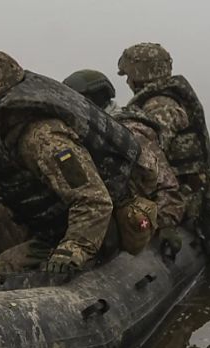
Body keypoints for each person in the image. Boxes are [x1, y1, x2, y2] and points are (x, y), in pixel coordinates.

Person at [0, 50, 140, 275]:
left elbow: (94, 200)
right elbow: (0, 157)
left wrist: (73, 248)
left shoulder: (43, 137)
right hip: (49, 224)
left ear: (1, 96)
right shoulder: (10, 127)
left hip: (93, 229)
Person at [117, 42, 210, 257]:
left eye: (128, 74)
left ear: (139, 74)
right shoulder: (169, 99)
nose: (127, 81)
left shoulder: (159, 106)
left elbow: (150, 159)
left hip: (181, 195)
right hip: (188, 190)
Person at [64, 69, 186, 256]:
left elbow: (167, 186)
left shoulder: (129, 133)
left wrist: (166, 225)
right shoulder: (86, 131)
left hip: (131, 214)